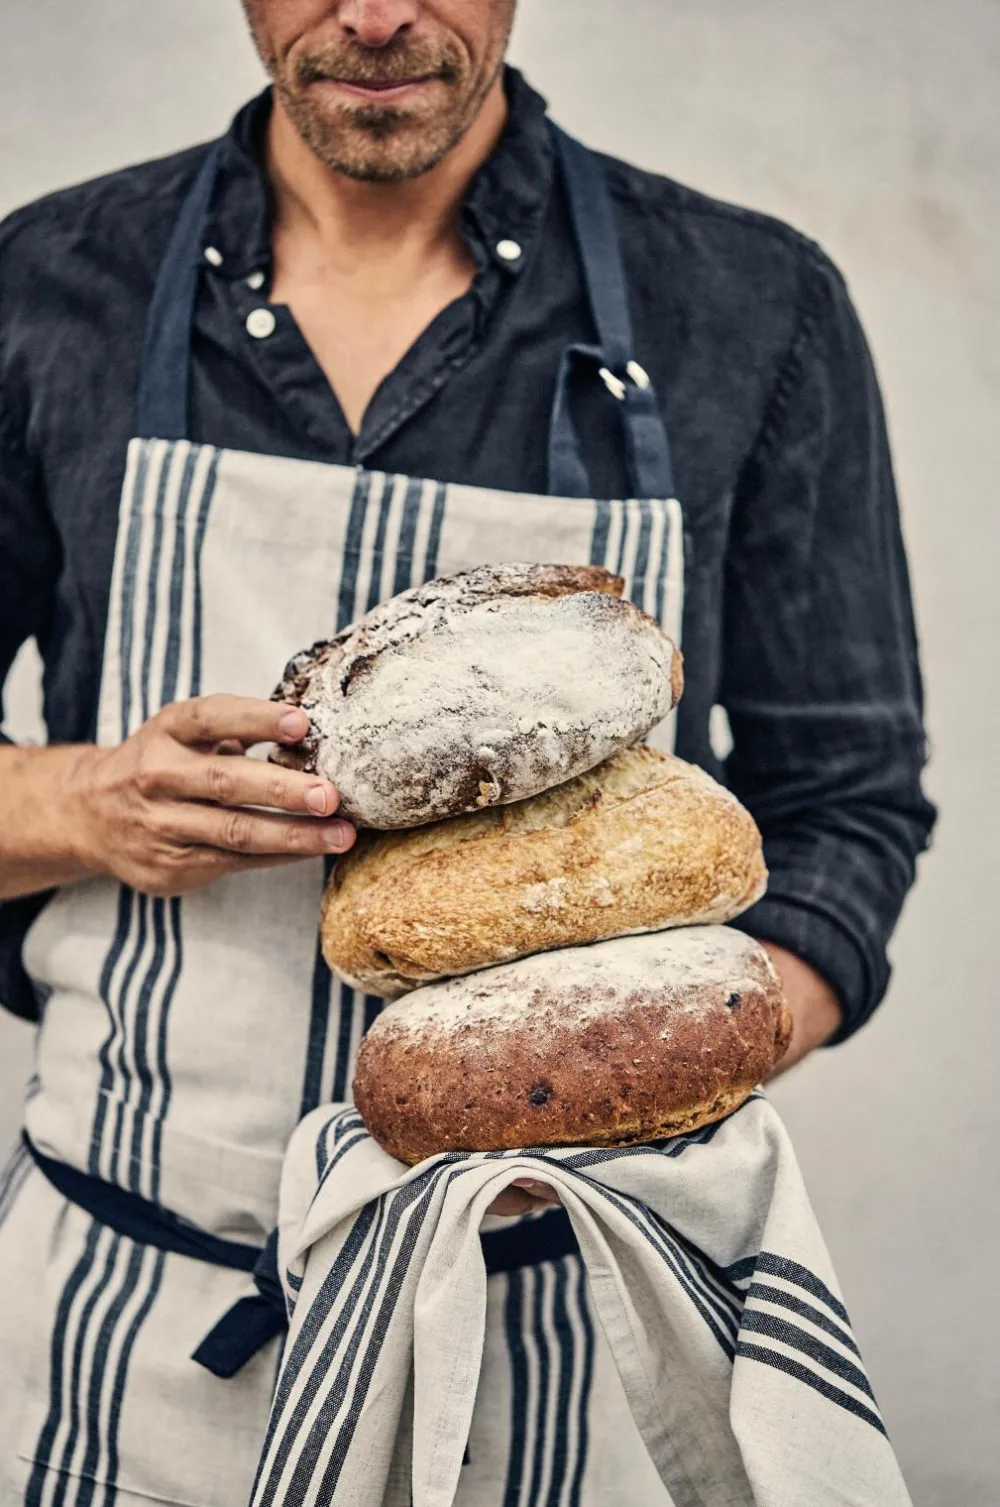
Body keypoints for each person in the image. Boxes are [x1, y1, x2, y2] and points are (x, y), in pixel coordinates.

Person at [0, 2, 935, 1503]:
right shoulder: (45, 288)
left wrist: (674, 1044)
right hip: (129, 1325)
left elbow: (849, 806)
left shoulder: (753, 305)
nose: (374, 14)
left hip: (570, 1323)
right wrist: (79, 800)